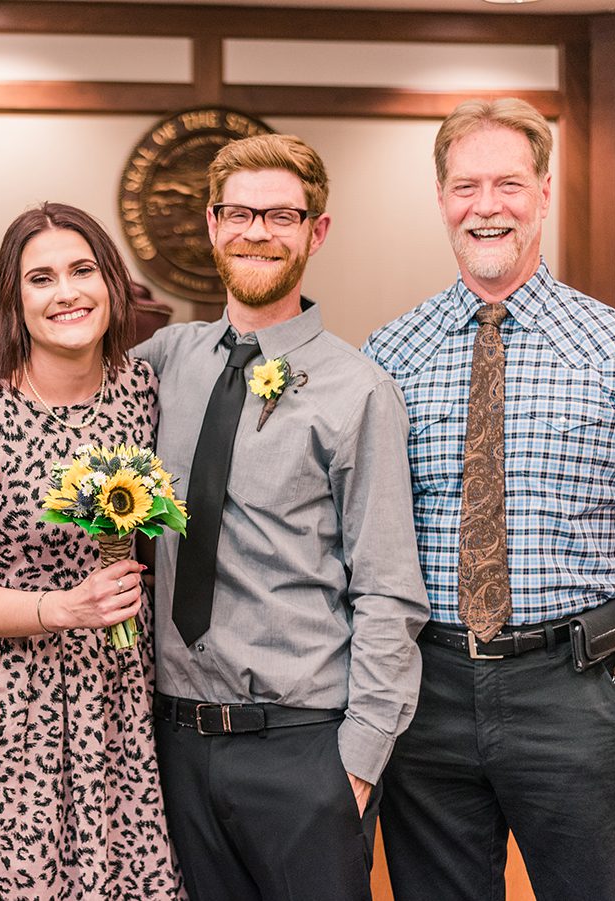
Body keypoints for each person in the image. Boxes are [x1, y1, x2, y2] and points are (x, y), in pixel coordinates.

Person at [362, 98, 615, 901]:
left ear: (545, 193)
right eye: (466, 186)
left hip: (573, 689)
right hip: (428, 696)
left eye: (508, 184)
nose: (486, 206)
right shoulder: (387, 354)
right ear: (441, 198)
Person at [134, 134, 429, 901]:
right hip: (173, 742)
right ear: (211, 224)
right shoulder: (167, 360)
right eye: (239, 213)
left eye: (280, 215)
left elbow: (389, 590)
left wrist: (356, 766)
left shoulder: (358, 389)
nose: (257, 231)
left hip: (302, 748)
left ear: (315, 231)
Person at [0, 202, 183, 900]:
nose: (66, 291)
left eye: (82, 270)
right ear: (14, 300)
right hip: (10, 704)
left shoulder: (146, 391)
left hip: (119, 696)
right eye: (40, 278)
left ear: (112, 283)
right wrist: (65, 605)